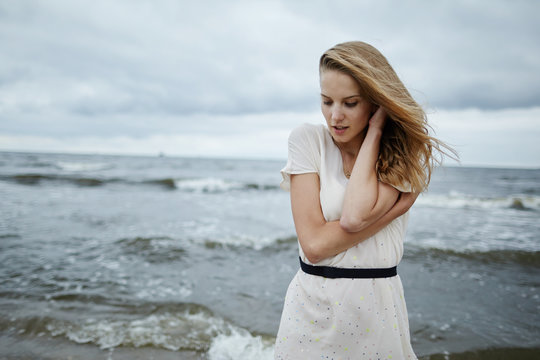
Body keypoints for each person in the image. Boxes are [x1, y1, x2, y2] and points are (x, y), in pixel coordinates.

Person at [274, 41, 455, 359]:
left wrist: (374, 133)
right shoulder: (307, 140)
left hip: (376, 309)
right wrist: (395, 210)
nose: (335, 116)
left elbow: (353, 216)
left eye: (351, 103)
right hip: (310, 307)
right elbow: (314, 246)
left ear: (376, 102)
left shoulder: (400, 154)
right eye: (327, 101)